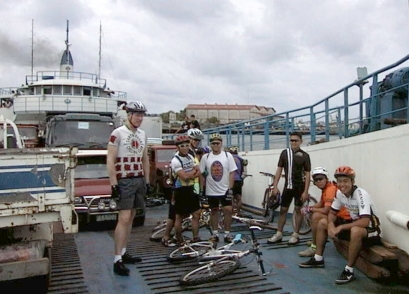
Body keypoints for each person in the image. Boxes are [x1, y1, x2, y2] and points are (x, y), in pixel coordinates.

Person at [299, 166, 382, 285]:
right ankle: (318, 259)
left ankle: (349, 271)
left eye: (346, 181)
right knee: (323, 222)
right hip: (354, 226)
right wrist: (331, 225)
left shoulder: (361, 194)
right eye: (339, 181)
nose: (342, 184)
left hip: (371, 231)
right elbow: (332, 213)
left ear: (352, 182)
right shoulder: (339, 193)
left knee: (355, 230)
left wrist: (340, 227)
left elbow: (365, 222)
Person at [107, 101, 150, 276]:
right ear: (129, 115)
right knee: (123, 218)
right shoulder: (117, 133)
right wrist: (113, 184)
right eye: (136, 114)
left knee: (132, 217)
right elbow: (110, 159)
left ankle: (124, 252)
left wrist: (147, 181)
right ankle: (117, 259)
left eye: (141, 115)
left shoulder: (143, 134)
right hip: (124, 180)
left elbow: (145, 159)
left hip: (138, 179)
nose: (140, 118)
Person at [267, 131, 311, 245]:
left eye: (296, 140)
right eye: (291, 140)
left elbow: (307, 174)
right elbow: (279, 170)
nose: (294, 142)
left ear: (301, 141)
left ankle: (296, 234)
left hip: (299, 187)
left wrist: (306, 191)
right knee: (283, 210)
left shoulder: (305, 156)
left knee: (298, 210)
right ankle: (279, 234)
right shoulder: (284, 153)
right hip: (288, 186)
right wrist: (275, 186)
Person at [199, 133, 237, 243]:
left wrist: (230, 188)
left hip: (225, 189)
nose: (215, 145)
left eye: (217, 143)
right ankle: (215, 233)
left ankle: (227, 234)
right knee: (214, 211)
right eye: (213, 143)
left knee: (228, 210)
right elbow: (202, 174)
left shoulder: (227, 156)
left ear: (221, 144)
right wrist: (202, 189)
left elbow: (232, 172)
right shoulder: (205, 157)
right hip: (211, 190)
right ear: (210, 144)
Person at [298, 167, 337, 257]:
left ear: (326, 179)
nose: (319, 181)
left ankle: (314, 246)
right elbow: (320, 203)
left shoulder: (330, 189)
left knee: (316, 216)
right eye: (316, 180)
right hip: (335, 217)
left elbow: (326, 210)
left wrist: (310, 209)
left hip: (339, 219)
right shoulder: (326, 188)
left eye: (321, 179)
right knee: (315, 214)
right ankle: (315, 241)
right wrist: (309, 207)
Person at [171, 135, 202, 244]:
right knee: (179, 216)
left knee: (196, 213)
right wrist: (193, 173)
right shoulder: (175, 161)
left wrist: (190, 174)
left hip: (190, 188)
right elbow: (184, 176)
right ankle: (179, 239)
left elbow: (199, 171)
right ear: (178, 147)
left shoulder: (189, 156)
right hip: (180, 190)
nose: (185, 148)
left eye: (187, 145)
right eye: (182, 146)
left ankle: (195, 237)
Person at [227, 146, 248, 215]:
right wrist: (241, 178)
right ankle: (238, 212)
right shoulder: (242, 160)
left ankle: (232, 213)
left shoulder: (227, 160)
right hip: (238, 181)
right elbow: (245, 173)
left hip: (230, 181)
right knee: (238, 198)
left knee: (231, 198)